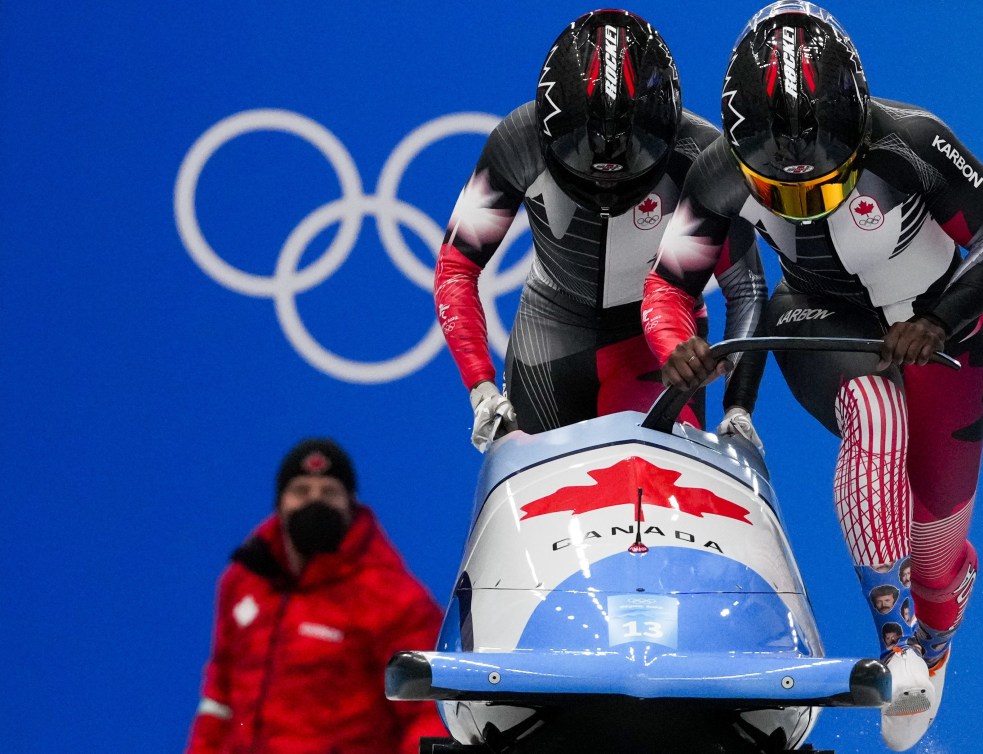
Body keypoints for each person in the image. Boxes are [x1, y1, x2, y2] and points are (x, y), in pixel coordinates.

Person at [642, 3, 983, 749]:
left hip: (943, 334)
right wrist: (672, 343)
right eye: (778, 190)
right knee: (874, 416)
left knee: (936, 555)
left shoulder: (914, 138)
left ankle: (935, 620)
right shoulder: (720, 169)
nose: (799, 199)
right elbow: (669, 286)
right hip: (819, 318)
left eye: (821, 183)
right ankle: (897, 643)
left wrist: (940, 320)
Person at [434, 9, 767, 453]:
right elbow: (457, 267)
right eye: (581, 153)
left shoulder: (699, 154)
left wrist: (737, 408)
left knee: (656, 489)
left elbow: (744, 286)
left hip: (654, 347)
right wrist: (480, 387)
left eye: (635, 154)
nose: (606, 180)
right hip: (549, 339)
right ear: (553, 127)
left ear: (664, 131)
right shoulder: (519, 140)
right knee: (545, 513)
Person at [185, 439, 448, 754]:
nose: (314, 502)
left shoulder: (396, 599)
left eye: (329, 492)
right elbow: (219, 697)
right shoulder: (243, 581)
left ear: (351, 504)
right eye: (301, 491)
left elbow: (428, 714)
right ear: (279, 502)